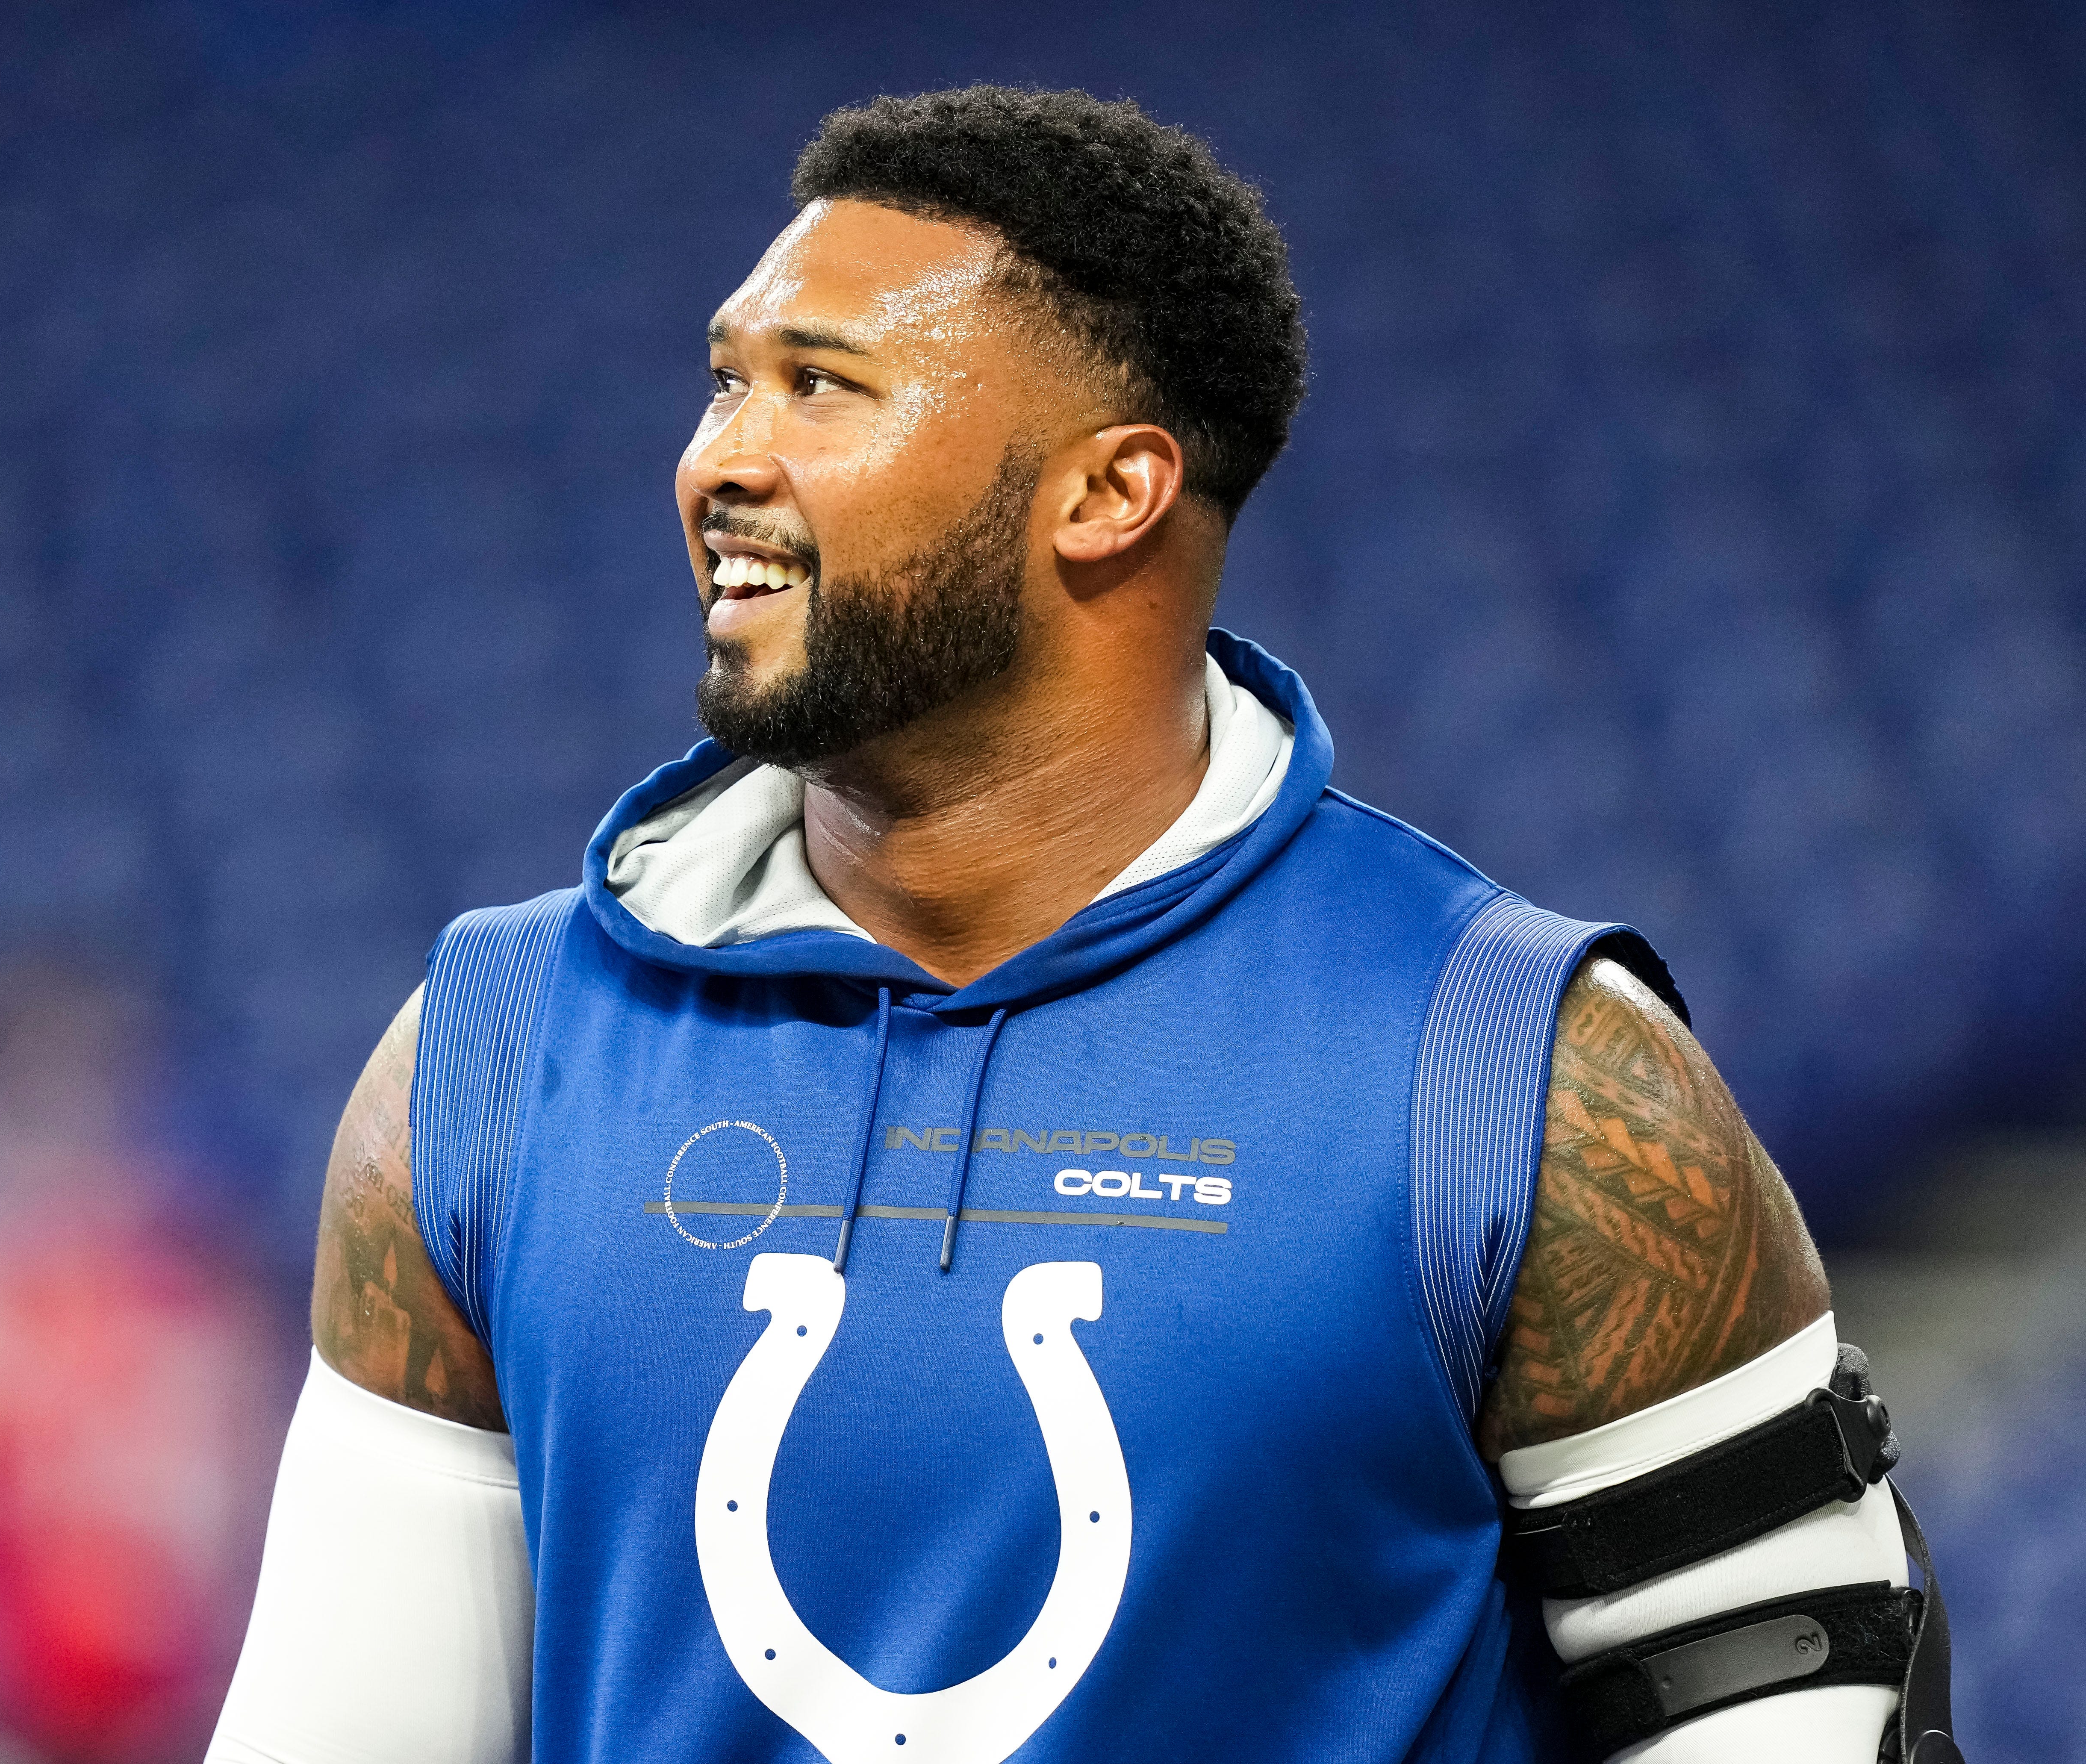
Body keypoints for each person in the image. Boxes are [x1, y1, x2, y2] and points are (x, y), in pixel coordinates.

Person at [209, 88, 1956, 1764]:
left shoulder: (1531, 1083)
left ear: (1109, 493)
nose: (720, 461)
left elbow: (1796, 1697)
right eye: (726, 383)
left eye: (825, 388)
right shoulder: (491, 1062)